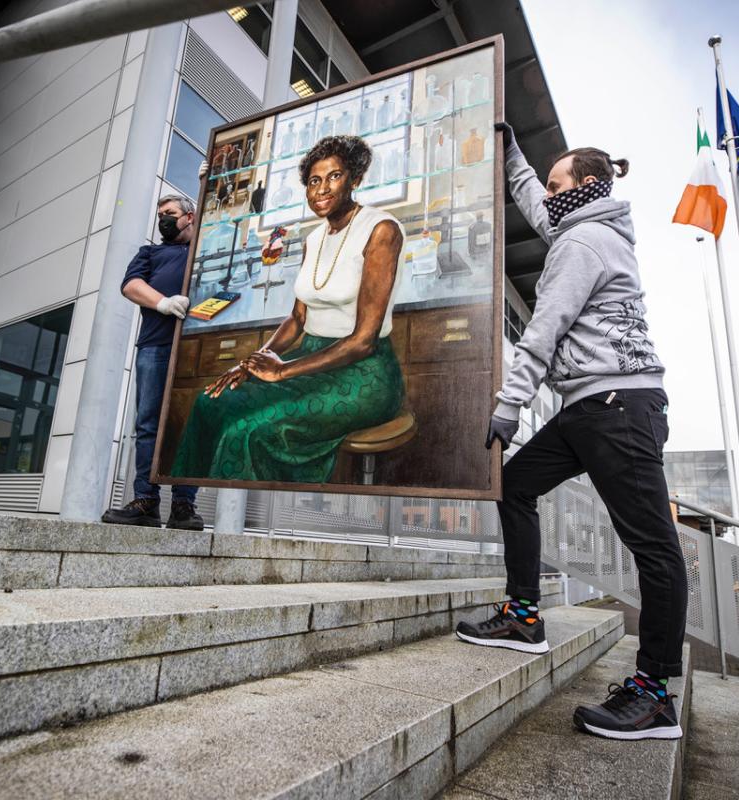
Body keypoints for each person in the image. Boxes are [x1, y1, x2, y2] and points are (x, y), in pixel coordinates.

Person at [455, 125, 688, 742]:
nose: (548, 197)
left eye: (560, 185)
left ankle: (656, 694)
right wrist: (510, 151)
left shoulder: (583, 240)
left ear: (586, 186)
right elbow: (534, 198)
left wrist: (510, 404)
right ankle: (525, 616)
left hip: (619, 405)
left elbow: (545, 329)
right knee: (514, 485)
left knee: (653, 547)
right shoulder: (581, 224)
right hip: (589, 408)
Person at [171, 135, 405, 483]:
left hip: (363, 376)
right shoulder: (314, 238)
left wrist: (282, 371)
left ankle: (237, 522)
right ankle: (185, 503)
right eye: (314, 181)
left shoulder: (381, 230)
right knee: (209, 401)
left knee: (246, 429)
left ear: (354, 179)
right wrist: (250, 363)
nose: (322, 189)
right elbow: (298, 318)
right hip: (311, 361)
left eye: (334, 176)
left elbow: (363, 342)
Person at [100, 194, 203, 530]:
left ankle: (184, 506)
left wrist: (207, 182)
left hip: (195, 347)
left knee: (190, 427)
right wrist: (162, 303)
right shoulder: (150, 253)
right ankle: (146, 501)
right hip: (155, 347)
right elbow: (130, 285)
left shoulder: (203, 246)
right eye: (160, 214)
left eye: (170, 213)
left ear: (189, 216)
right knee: (148, 425)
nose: (163, 219)